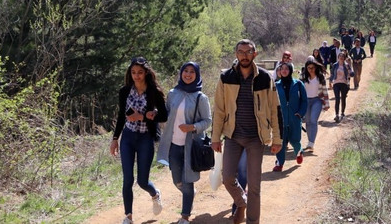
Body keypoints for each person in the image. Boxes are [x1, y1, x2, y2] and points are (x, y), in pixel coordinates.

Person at [211, 39, 282, 224]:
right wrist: (215, 137)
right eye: (241, 52)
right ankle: (241, 202)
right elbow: (218, 109)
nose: (244, 55)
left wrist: (277, 139)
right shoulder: (226, 77)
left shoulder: (265, 78)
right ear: (236, 54)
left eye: (248, 52)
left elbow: (275, 109)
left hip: (256, 138)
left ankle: (253, 221)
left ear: (255, 54)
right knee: (227, 178)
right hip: (233, 136)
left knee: (255, 186)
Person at [110, 57, 168, 224]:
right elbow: (122, 116)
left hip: (145, 138)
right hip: (128, 137)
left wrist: (146, 116)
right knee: (127, 179)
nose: (136, 76)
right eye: (133, 72)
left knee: (142, 181)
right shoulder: (125, 91)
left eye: (140, 72)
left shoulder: (154, 92)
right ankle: (128, 216)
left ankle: (155, 194)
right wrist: (115, 139)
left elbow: (164, 115)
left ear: (146, 73)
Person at [156, 62, 211, 224]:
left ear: (197, 75)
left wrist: (192, 127)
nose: (188, 74)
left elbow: (207, 121)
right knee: (176, 180)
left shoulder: (201, 97)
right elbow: (166, 113)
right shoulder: (173, 93)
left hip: (190, 147)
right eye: (185, 71)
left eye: (192, 72)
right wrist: (155, 113)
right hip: (173, 145)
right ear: (181, 73)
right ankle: (189, 194)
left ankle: (185, 216)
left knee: (187, 183)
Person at [272, 62, 307, 172]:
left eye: (287, 69)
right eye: (282, 69)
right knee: (280, 141)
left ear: (291, 70)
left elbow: (304, 100)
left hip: (294, 117)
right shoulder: (275, 85)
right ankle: (279, 163)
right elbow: (270, 102)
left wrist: (300, 113)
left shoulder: (298, 84)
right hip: (280, 118)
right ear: (279, 71)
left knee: (295, 140)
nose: (284, 71)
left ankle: (299, 152)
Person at [300, 60, 329, 152]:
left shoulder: (320, 77)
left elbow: (325, 90)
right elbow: (298, 90)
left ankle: (311, 142)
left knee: (313, 120)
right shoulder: (303, 76)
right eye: (308, 68)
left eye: (312, 68)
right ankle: (309, 142)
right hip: (306, 101)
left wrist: (327, 103)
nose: (310, 70)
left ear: (315, 67)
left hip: (317, 100)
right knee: (307, 121)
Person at [329, 52, 353, 123]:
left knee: (343, 98)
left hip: (344, 83)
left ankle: (342, 113)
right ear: (338, 57)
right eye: (340, 56)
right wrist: (330, 82)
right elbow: (332, 73)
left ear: (344, 58)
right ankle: (337, 115)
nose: (341, 57)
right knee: (337, 99)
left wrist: (349, 71)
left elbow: (351, 73)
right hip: (336, 83)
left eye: (343, 56)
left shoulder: (347, 65)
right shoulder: (335, 65)